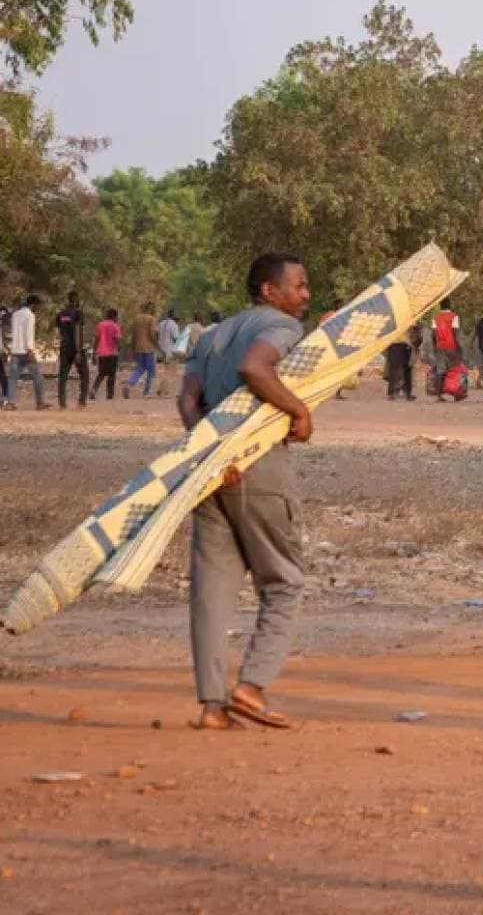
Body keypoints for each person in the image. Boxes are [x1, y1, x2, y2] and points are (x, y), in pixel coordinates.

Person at [177, 252, 315, 731]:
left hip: (211, 471)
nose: (305, 295)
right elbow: (256, 370)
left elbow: (188, 400)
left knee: (212, 592)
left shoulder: (212, 335)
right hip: (258, 464)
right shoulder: (279, 326)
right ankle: (251, 686)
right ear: (268, 291)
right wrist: (299, 411)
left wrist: (210, 450)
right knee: (284, 582)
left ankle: (212, 707)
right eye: (298, 285)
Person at [5, 295, 48, 411]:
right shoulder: (30, 316)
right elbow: (28, 334)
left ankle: (10, 403)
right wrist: (30, 350)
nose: (38, 309)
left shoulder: (15, 314)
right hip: (26, 351)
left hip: (15, 350)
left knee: (12, 379)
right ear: (33, 304)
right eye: (38, 306)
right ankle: (40, 403)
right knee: (38, 377)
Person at [55, 291, 89, 410]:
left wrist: (62, 345)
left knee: (63, 375)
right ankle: (82, 402)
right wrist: (78, 351)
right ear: (75, 299)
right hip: (76, 347)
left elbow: (59, 332)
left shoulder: (61, 314)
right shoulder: (78, 313)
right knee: (84, 375)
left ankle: (62, 403)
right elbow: (77, 330)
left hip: (64, 347)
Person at [125, 302, 159, 398]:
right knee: (150, 370)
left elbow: (133, 335)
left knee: (140, 368)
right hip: (149, 348)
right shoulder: (151, 319)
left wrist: (132, 349)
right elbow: (152, 333)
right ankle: (146, 392)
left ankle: (130, 383)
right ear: (150, 309)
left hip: (138, 347)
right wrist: (157, 344)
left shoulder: (137, 319)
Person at [429, 298, 461, 401]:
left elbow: (433, 333)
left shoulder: (436, 317)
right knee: (454, 369)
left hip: (440, 346)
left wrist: (435, 345)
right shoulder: (454, 316)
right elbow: (455, 332)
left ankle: (439, 395)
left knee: (440, 370)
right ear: (449, 305)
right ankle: (456, 394)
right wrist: (459, 347)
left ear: (440, 306)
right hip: (452, 346)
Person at [91, 309, 122, 401]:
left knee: (101, 374)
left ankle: (94, 389)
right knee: (112, 375)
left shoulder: (100, 325)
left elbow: (96, 339)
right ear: (114, 316)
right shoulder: (115, 326)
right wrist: (119, 347)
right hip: (112, 353)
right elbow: (117, 340)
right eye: (117, 317)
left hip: (102, 353)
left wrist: (94, 353)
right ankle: (110, 395)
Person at [384, 319, 417, 401]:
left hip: (395, 344)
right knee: (405, 370)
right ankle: (404, 394)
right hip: (403, 344)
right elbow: (413, 329)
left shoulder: (394, 317)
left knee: (395, 370)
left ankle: (396, 394)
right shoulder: (407, 317)